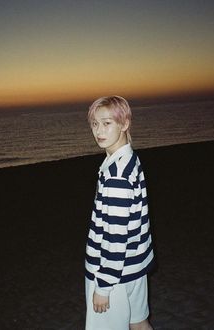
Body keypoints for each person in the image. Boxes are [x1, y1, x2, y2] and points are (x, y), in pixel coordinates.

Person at [85, 95, 154, 330]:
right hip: (135, 266)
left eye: (107, 123)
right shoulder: (129, 159)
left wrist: (103, 286)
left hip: (114, 274)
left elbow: (115, 236)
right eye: (95, 123)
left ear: (124, 124)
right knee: (139, 324)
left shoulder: (116, 175)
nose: (98, 130)